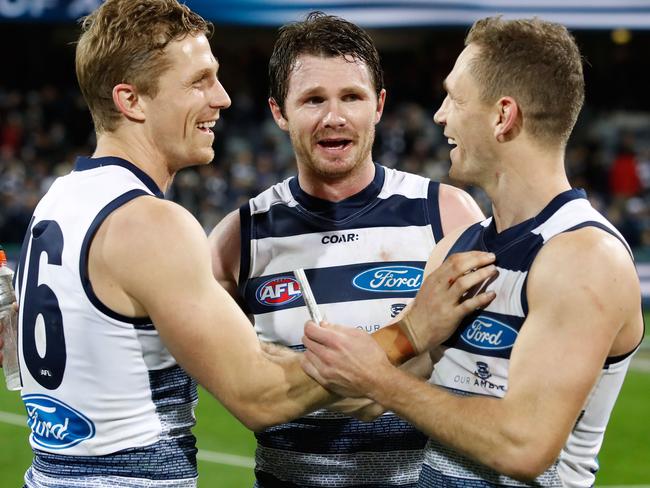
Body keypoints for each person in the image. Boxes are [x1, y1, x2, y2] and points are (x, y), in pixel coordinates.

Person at [10, 1, 497, 487]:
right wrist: (412, 331)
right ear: (131, 100)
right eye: (199, 81)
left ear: (378, 104)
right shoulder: (170, 227)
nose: (221, 98)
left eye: (351, 96)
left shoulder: (59, 202)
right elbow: (257, 394)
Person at [301, 16, 644, 488]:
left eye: (455, 99)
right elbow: (377, 393)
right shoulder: (455, 251)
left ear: (503, 116)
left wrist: (378, 378)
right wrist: (330, 359)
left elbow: (523, 446)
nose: (440, 115)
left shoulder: (584, 257)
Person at [208, 12, 486, 488]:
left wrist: (292, 368)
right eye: (313, 99)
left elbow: (483, 382)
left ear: (378, 105)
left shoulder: (447, 214)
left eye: (351, 97)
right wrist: (411, 344)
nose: (334, 117)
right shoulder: (239, 238)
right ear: (279, 112)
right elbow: (244, 393)